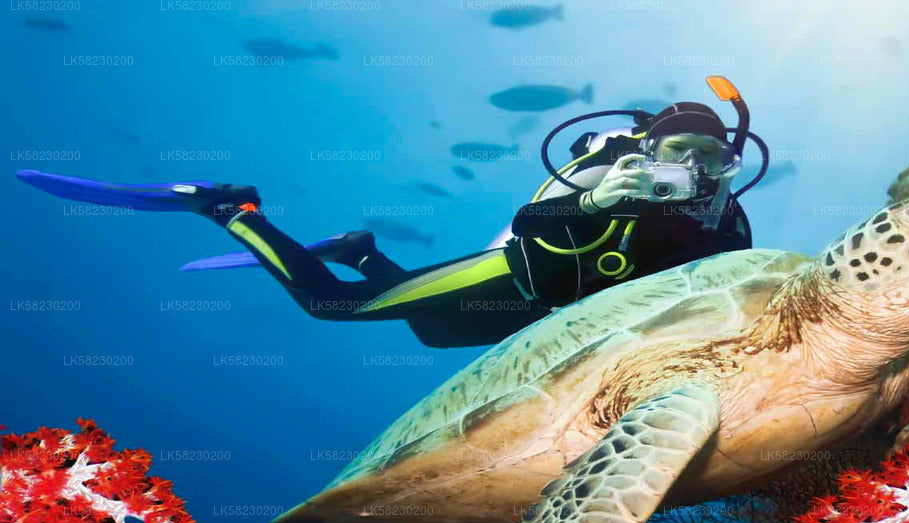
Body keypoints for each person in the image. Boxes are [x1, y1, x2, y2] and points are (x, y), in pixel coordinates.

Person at [15, 78, 770, 348]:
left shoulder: (728, 217)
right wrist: (598, 199)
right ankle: (231, 207)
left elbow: (726, 286)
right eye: (681, 151)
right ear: (650, 143)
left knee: (433, 333)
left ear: (734, 158)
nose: (696, 170)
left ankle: (359, 245)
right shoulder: (611, 171)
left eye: (714, 158)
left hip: (546, 314)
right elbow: (533, 224)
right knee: (330, 306)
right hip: (516, 274)